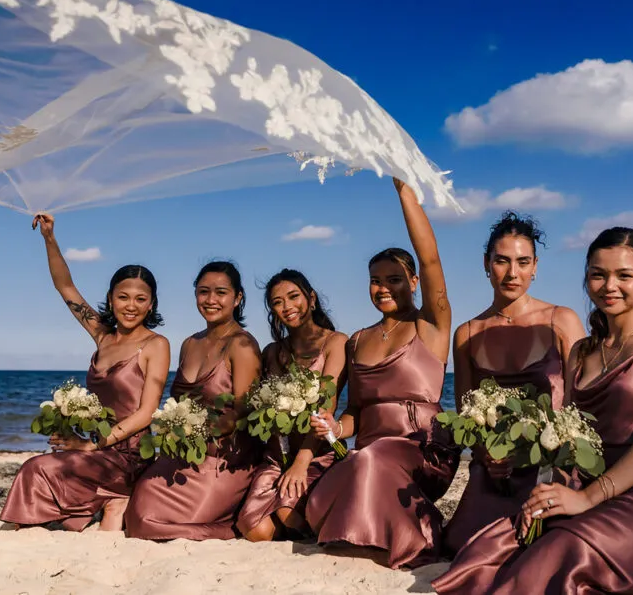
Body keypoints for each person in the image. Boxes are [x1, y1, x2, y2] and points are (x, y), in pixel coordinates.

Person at [433, 227, 633, 594]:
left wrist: (587, 498)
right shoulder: (583, 352)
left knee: (562, 553)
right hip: (584, 483)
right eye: (598, 274)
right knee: (500, 546)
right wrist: (550, 488)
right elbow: (569, 434)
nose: (610, 285)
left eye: (624, 275)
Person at [305, 178, 459, 569]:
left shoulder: (431, 326)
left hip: (422, 452)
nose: (383, 287)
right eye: (376, 280)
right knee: (352, 464)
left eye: (394, 279)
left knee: (370, 459)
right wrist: (335, 430)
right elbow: (355, 409)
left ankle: (413, 536)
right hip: (366, 453)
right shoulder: (356, 340)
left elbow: (432, 260)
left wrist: (405, 194)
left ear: (413, 282)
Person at [0, 214, 170, 531]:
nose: (130, 305)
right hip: (96, 450)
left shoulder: (155, 345)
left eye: (140, 299)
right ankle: (104, 501)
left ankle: (118, 495)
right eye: (123, 297)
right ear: (110, 299)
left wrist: (93, 444)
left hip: (129, 457)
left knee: (39, 468)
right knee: (34, 469)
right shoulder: (102, 336)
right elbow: (65, 287)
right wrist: (49, 238)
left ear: (151, 304)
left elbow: (147, 413)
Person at [442, 212, 584, 553]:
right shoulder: (467, 333)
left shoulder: (560, 320)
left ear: (535, 266)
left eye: (523, 262)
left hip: (552, 465)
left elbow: (584, 402)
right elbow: (465, 415)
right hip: (495, 471)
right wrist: (486, 455)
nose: (513, 272)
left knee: (552, 545)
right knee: (464, 547)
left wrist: (558, 457)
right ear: (486, 263)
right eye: (502, 261)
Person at [125, 261, 261, 540]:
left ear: (238, 298)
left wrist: (198, 431)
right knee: (138, 518)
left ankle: (232, 525)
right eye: (203, 292)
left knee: (156, 524)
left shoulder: (242, 344)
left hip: (225, 461)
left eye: (220, 292)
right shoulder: (189, 344)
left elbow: (243, 412)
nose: (211, 300)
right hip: (184, 455)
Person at [237, 269, 347, 541]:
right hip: (276, 456)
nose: (287, 307)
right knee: (255, 531)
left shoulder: (336, 343)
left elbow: (325, 412)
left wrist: (301, 462)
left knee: (288, 512)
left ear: (311, 299)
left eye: (293, 297)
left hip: (317, 453)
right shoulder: (272, 352)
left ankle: (318, 523)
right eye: (277, 302)